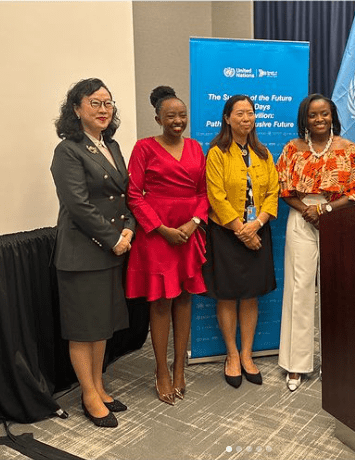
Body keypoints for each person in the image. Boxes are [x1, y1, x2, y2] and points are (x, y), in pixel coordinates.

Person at [51, 78, 135, 427]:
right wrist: (114, 238)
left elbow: (125, 194)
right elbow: (79, 206)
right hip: (83, 253)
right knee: (83, 329)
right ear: (76, 109)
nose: (103, 110)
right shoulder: (68, 151)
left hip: (112, 249)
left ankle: (99, 385)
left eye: (108, 103)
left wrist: (129, 227)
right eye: (95, 103)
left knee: (101, 326)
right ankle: (88, 393)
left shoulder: (112, 146)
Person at [276, 93, 355, 391]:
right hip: (302, 219)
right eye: (313, 115)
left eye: (324, 114)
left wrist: (325, 209)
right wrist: (308, 210)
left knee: (335, 289)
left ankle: (337, 359)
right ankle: (295, 364)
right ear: (305, 118)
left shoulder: (348, 148)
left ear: (332, 116)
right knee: (299, 289)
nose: (319, 120)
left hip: (338, 219)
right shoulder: (292, 149)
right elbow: (283, 189)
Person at [125, 86, 209, 405]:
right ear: (158, 117)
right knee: (161, 301)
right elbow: (133, 194)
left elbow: (203, 194)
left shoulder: (196, 147)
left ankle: (179, 367)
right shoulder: (144, 148)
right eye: (171, 115)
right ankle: (160, 370)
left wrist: (193, 224)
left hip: (188, 232)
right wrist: (161, 229)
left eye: (182, 115)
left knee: (185, 298)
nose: (178, 120)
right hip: (158, 234)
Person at [203, 95, 279, 388]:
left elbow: (273, 191)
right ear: (227, 118)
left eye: (250, 113)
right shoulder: (217, 153)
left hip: (258, 230)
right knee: (227, 294)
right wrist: (240, 230)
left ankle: (248, 355)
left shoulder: (263, 153)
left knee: (250, 294)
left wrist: (256, 225)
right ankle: (231, 355)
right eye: (240, 113)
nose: (246, 118)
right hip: (226, 233)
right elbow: (215, 195)